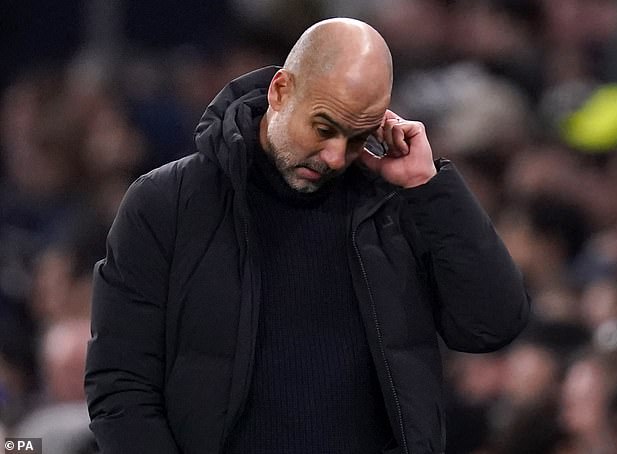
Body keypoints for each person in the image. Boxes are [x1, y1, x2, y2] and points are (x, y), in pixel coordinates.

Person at [84, 18, 530, 454]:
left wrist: (428, 187)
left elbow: (492, 324)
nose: (335, 156)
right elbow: (121, 384)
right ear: (280, 90)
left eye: (357, 138)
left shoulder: (398, 203)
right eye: (324, 128)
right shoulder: (168, 202)